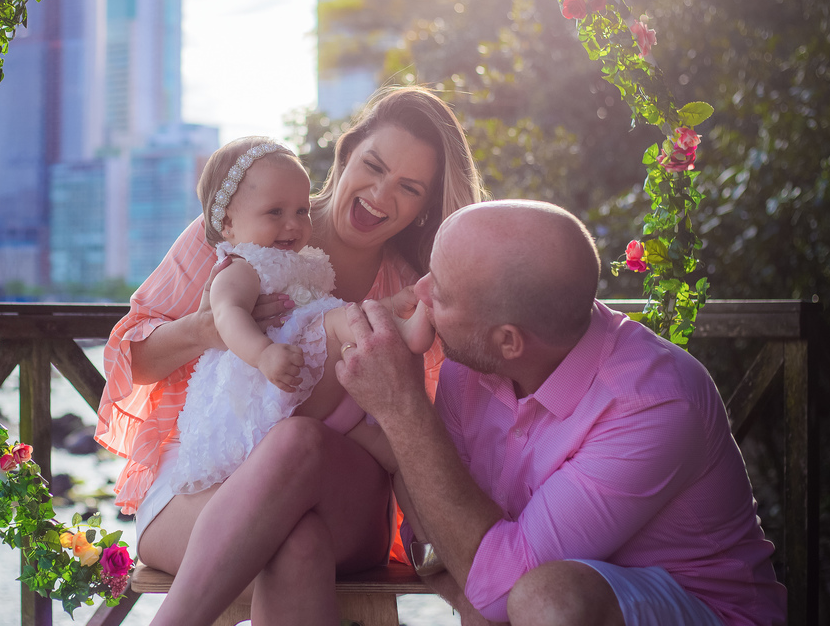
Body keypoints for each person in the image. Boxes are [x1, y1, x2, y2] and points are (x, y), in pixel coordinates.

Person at [96, 87, 484, 625]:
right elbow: (131, 362)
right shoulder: (234, 233)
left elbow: (422, 432)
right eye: (373, 165)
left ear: (423, 208)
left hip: (346, 499)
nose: (380, 193)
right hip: (202, 485)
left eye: (409, 188)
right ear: (346, 153)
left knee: (299, 440)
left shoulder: (413, 291)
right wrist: (211, 328)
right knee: (296, 544)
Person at [336, 200, 788, 626]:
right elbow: (435, 516)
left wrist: (402, 405)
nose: (419, 290)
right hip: (539, 594)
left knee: (548, 598)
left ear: (509, 341)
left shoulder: (653, 403)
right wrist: (466, 592)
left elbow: (502, 585)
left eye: (443, 292)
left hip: (709, 609)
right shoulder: (474, 359)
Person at [170, 136, 433, 497]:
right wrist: (262, 353)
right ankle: (397, 326)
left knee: (398, 456)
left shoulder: (305, 262)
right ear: (228, 223)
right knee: (343, 322)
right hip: (272, 382)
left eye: (301, 211)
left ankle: (428, 543)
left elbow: (323, 309)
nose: (292, 224)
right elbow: (226, 315)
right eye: (275, 212)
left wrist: (394, 298)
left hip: (322, 394)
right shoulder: (242, 266)